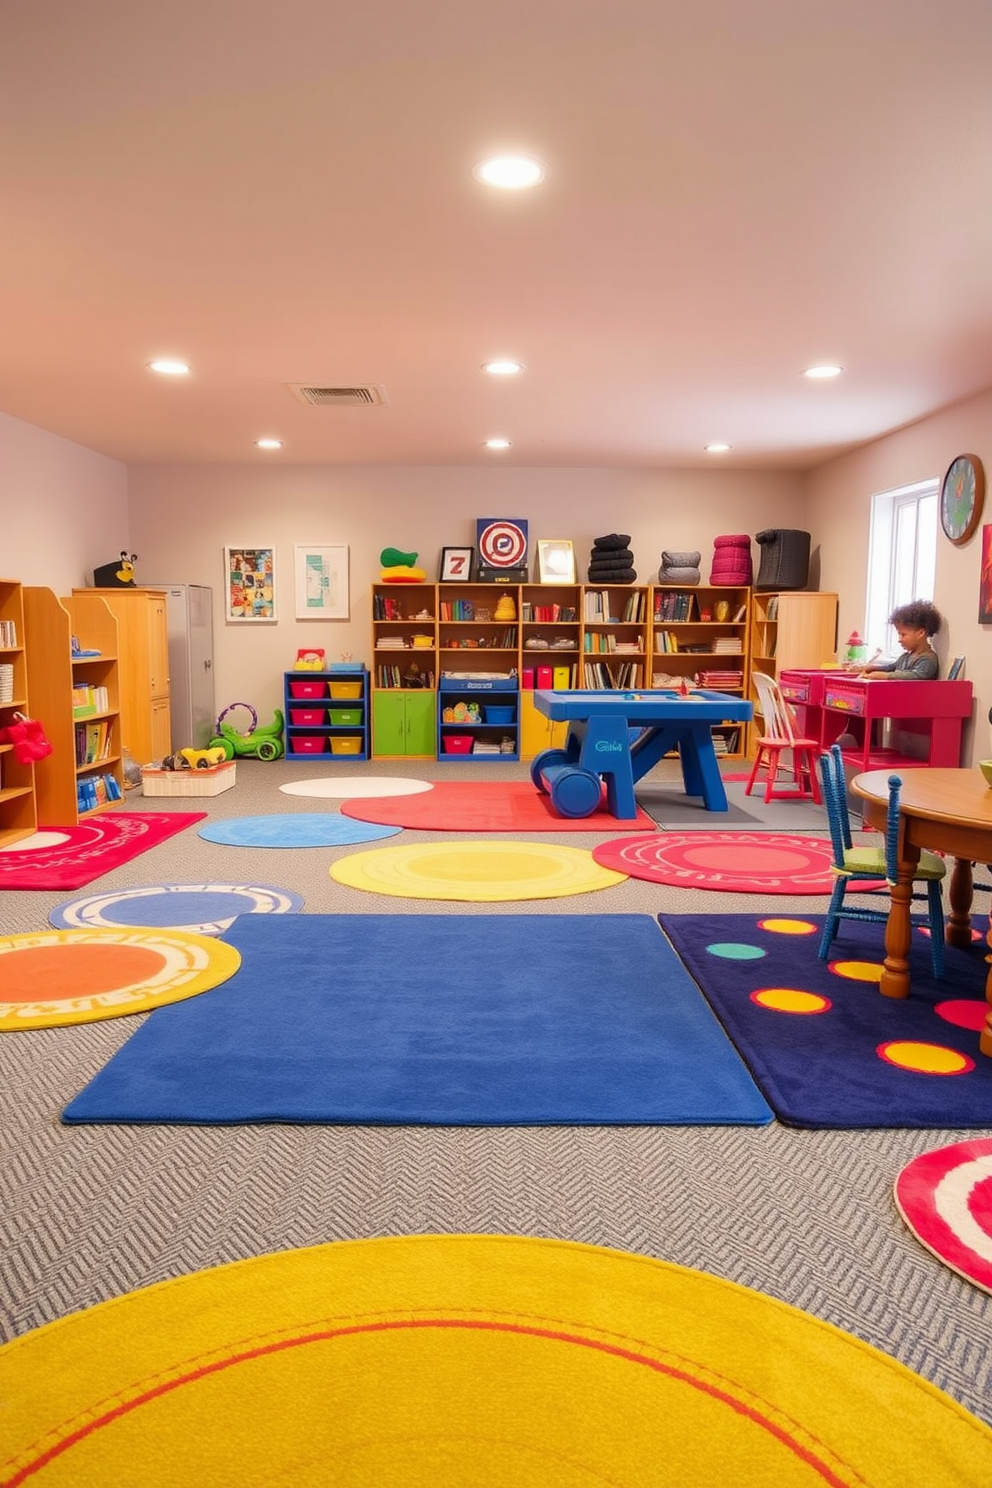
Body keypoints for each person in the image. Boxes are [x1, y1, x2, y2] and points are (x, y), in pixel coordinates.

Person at [860, 600, 943, 680]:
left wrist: (887, 676)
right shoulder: (905, 657)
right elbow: (891, 667)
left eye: (903, 634)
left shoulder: (928, 659)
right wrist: (872, 668)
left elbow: (917, 675)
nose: (899, 640)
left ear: (921, 633)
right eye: (899, 634)